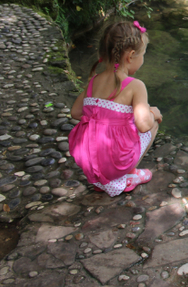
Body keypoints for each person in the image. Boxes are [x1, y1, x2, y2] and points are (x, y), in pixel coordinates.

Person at [69, 21, 163, 196]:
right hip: (116, 163)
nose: (143, 60)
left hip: (88, 161)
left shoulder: (94, 81)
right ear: (131, 56)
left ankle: (102, 180)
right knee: (153, 123)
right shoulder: (135, 85)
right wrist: (152, 112)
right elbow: (144, 125)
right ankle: (128, 175)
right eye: (143, 55)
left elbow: (75, 112)